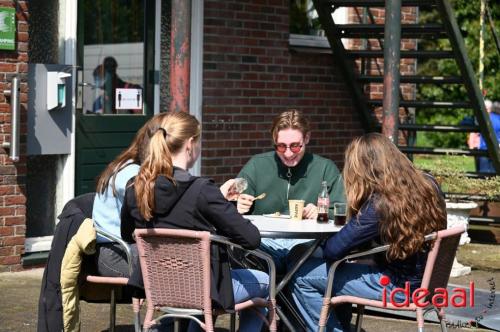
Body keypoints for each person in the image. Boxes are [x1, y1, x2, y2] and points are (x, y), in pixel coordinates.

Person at [120, 111, 269, 331]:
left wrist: (216, 199)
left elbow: (127, 234)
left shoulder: (136, 187)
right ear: (190, 144)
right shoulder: (201, 190)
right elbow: (251, 238)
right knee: (265, 280)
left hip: (157, 286)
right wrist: (223, 204)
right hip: (203, 289)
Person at [289, 133, 447, 331]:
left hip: (399, 287)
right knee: (339, 266)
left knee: (302, 275)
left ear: (367, 169)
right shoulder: (429, 183)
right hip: (428, 281)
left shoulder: (382, 203)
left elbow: (333, 250)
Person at [236, 109, 346, 272]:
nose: (288, 154)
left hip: (306, 245)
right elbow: (226, 205)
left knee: (309, 261)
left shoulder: (325, 168)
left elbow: (343, 211)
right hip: (263, 244)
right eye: (281, 146)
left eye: (295, 146)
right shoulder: (256, 165)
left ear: (307, 138)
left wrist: (322, 212)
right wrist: (237, 204)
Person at [92, 112, 168, 278]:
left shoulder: (130, 165)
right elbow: (147, 219)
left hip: (125, 248)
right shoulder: (131, 175)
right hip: (115, 253)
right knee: (180, 270)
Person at [478, 99, 500, 173]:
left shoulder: (484, 119)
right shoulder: (498, 119)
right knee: (495, 173)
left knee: (483, 173)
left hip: (483, 147)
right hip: (496, 148)